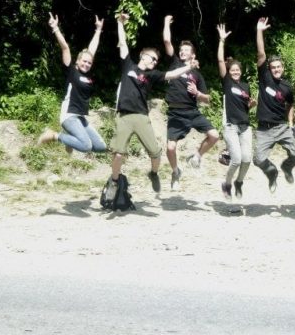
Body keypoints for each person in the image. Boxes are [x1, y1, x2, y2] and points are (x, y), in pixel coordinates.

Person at [105, 13, 198, 202]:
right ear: (142, 56)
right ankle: (114, 182)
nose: (155, 62)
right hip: (123, 116)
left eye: (156, 60)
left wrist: (188, 68)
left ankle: (153, 173)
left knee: (156, 154)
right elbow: (122, 44)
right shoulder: (128, 65)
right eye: (153, 58)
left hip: (141, 116)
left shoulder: (152, 75)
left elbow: (172, 74)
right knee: (118, 154)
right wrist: (120, 23)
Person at [163, 15, 219, 190]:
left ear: (193, 54)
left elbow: (208, 99)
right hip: (175, 113)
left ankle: (196, 156)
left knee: (215, 135)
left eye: (186, 50)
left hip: (192, 112)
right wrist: (166, 23)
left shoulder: (197, 75)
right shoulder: (175, 64)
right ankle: (175, 173)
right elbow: (166, 40)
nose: (182, 52)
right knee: (171, 148)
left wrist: (198, 93)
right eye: (181, 50)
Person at [38, 12, 107, 154]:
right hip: (69, 115)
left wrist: (98, 30)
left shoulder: (88, 75)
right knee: (86, 146)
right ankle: (54, 135)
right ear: (77, 61)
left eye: (89, 62)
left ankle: (70, 138)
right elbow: (65, 48)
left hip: (80, 117)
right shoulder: (72, 72)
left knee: (101, 147)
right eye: (84, 61)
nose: (87, 64)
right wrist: (55, 28)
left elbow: (92, 49)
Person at [253, 17, 295, 192]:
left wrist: (290, 125)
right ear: (269, 68)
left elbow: (290, 105)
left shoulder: (288, 87)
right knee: (258, 159)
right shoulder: (264, 77)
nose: (275, 69)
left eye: (278, 67)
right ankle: (272, 173)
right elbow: (261, 55)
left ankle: (287, 167)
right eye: (273, 67)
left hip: (282, 127)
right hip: (264, 129)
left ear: (283, 68)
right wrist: (260, 31)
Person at [216, 24, 256, 200]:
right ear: (229, 72)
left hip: (245, 126)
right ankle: (227, 184)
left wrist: (252, 104)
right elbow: (219, 61)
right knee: (237, 159)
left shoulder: (246, 86)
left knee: (247, 159)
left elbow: (245, 106)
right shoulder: (227, 83)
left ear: (241, 71)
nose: (235, 72)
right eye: (232, 70)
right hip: (231, 126)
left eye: (237, 70)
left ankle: (239, 182)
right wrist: (222, 40)